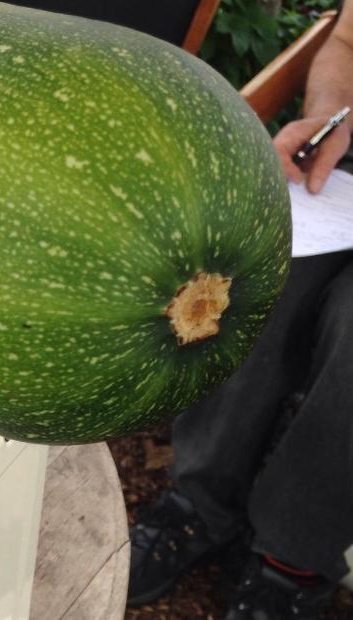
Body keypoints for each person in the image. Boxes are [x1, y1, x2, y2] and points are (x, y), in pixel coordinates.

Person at [128, 5, 353, 619]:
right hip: (344, 178)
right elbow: (346, 40)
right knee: (247, 272)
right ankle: (200, 501)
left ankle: (293, 559)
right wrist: (329, 114)